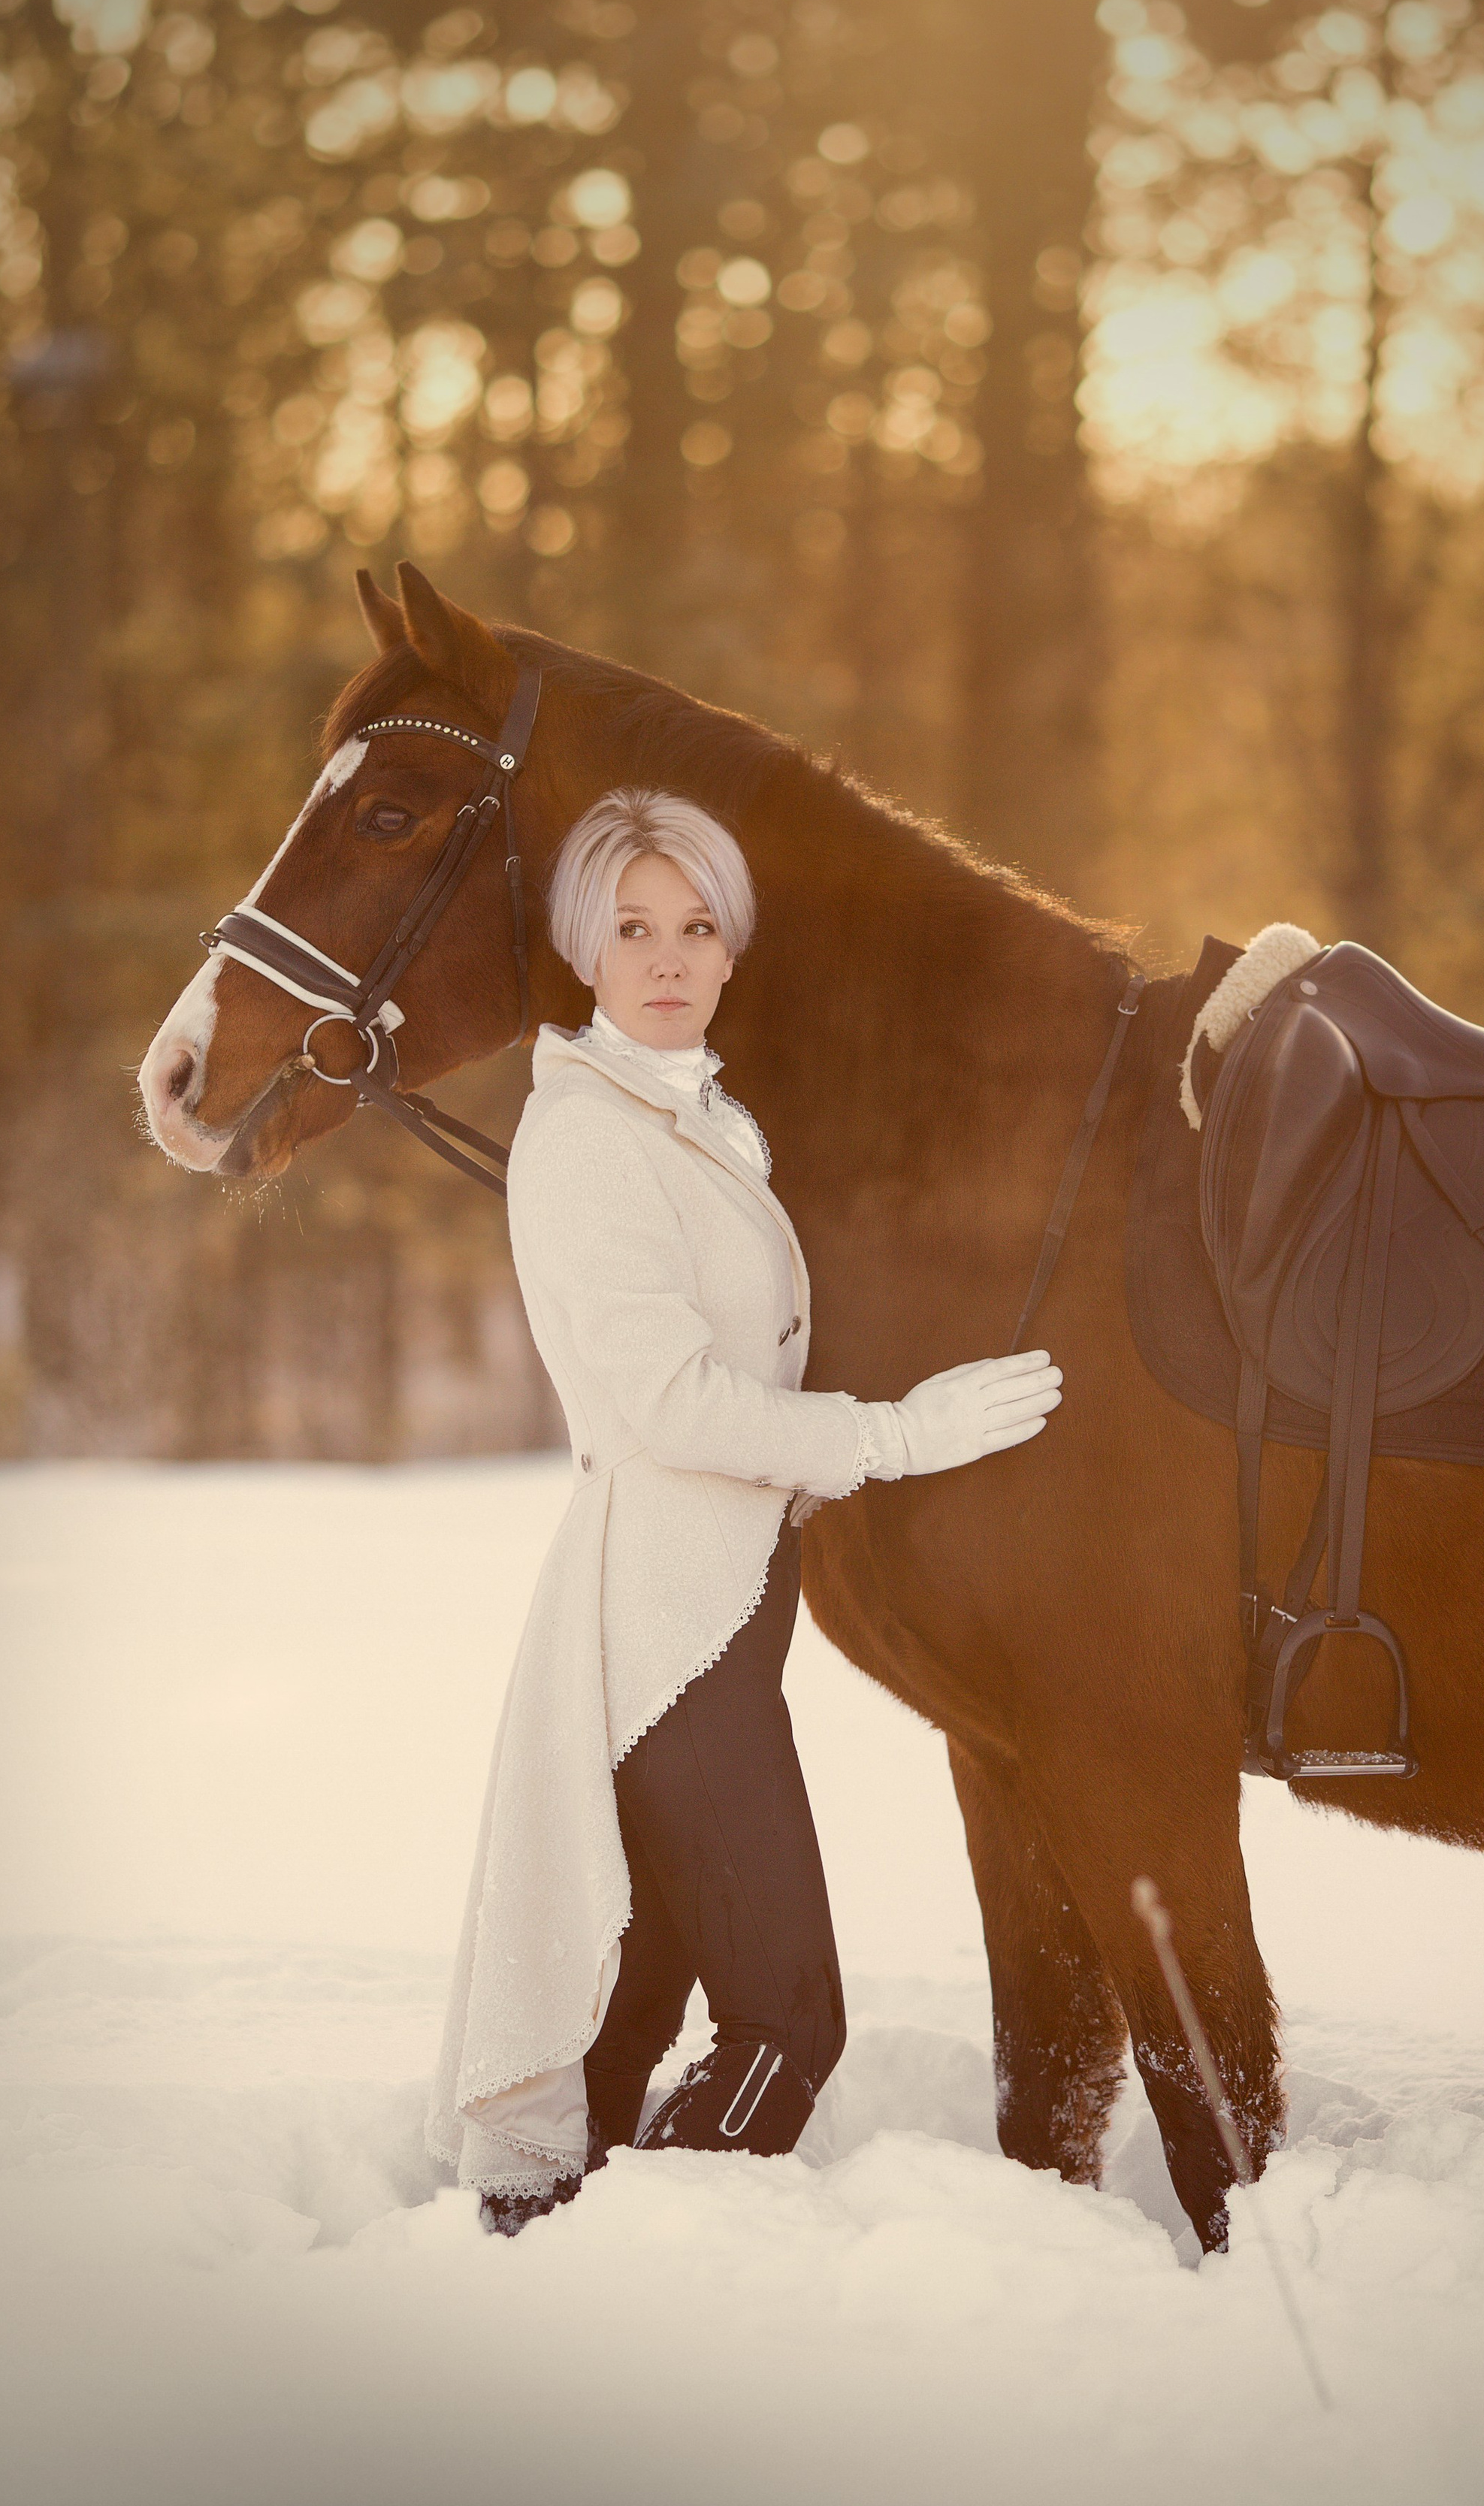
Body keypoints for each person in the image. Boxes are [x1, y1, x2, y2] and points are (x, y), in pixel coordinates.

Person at [425, 786, 1062, 2235]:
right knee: (787, 2028)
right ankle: (646, 2267)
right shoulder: (589, 1140)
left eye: (696, 928)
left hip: (722, 1617)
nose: (667, 958)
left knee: (627, 2011)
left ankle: (549, 2269)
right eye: (634, 928)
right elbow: (676, 1405)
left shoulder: (693, 1119)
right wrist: (904, 1436)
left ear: (730, 952)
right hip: (667, 1639)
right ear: (587, 949)